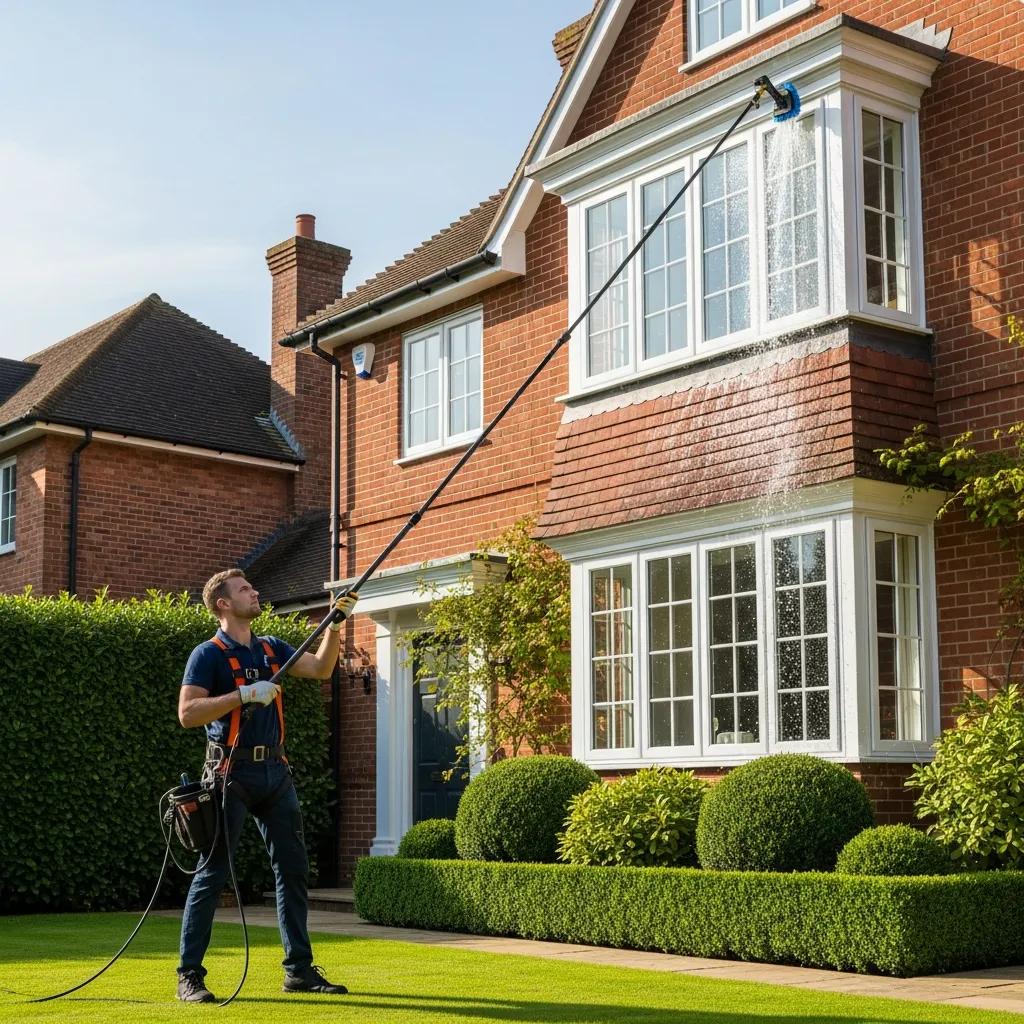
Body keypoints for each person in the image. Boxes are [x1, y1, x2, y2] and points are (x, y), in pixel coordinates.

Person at [175, 569, 356, 1004]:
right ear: (222, 603)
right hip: (228, 777)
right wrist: (242, 695)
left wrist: (335, 625)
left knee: (292, 872)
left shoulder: (274, 648)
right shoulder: (208, 654)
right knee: (211, 874)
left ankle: (299, 971)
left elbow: (321, 668)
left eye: (252, 587)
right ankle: (190, 977)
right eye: (244, 589)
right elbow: (187, 713)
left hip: (275, 774)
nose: (254, 592)